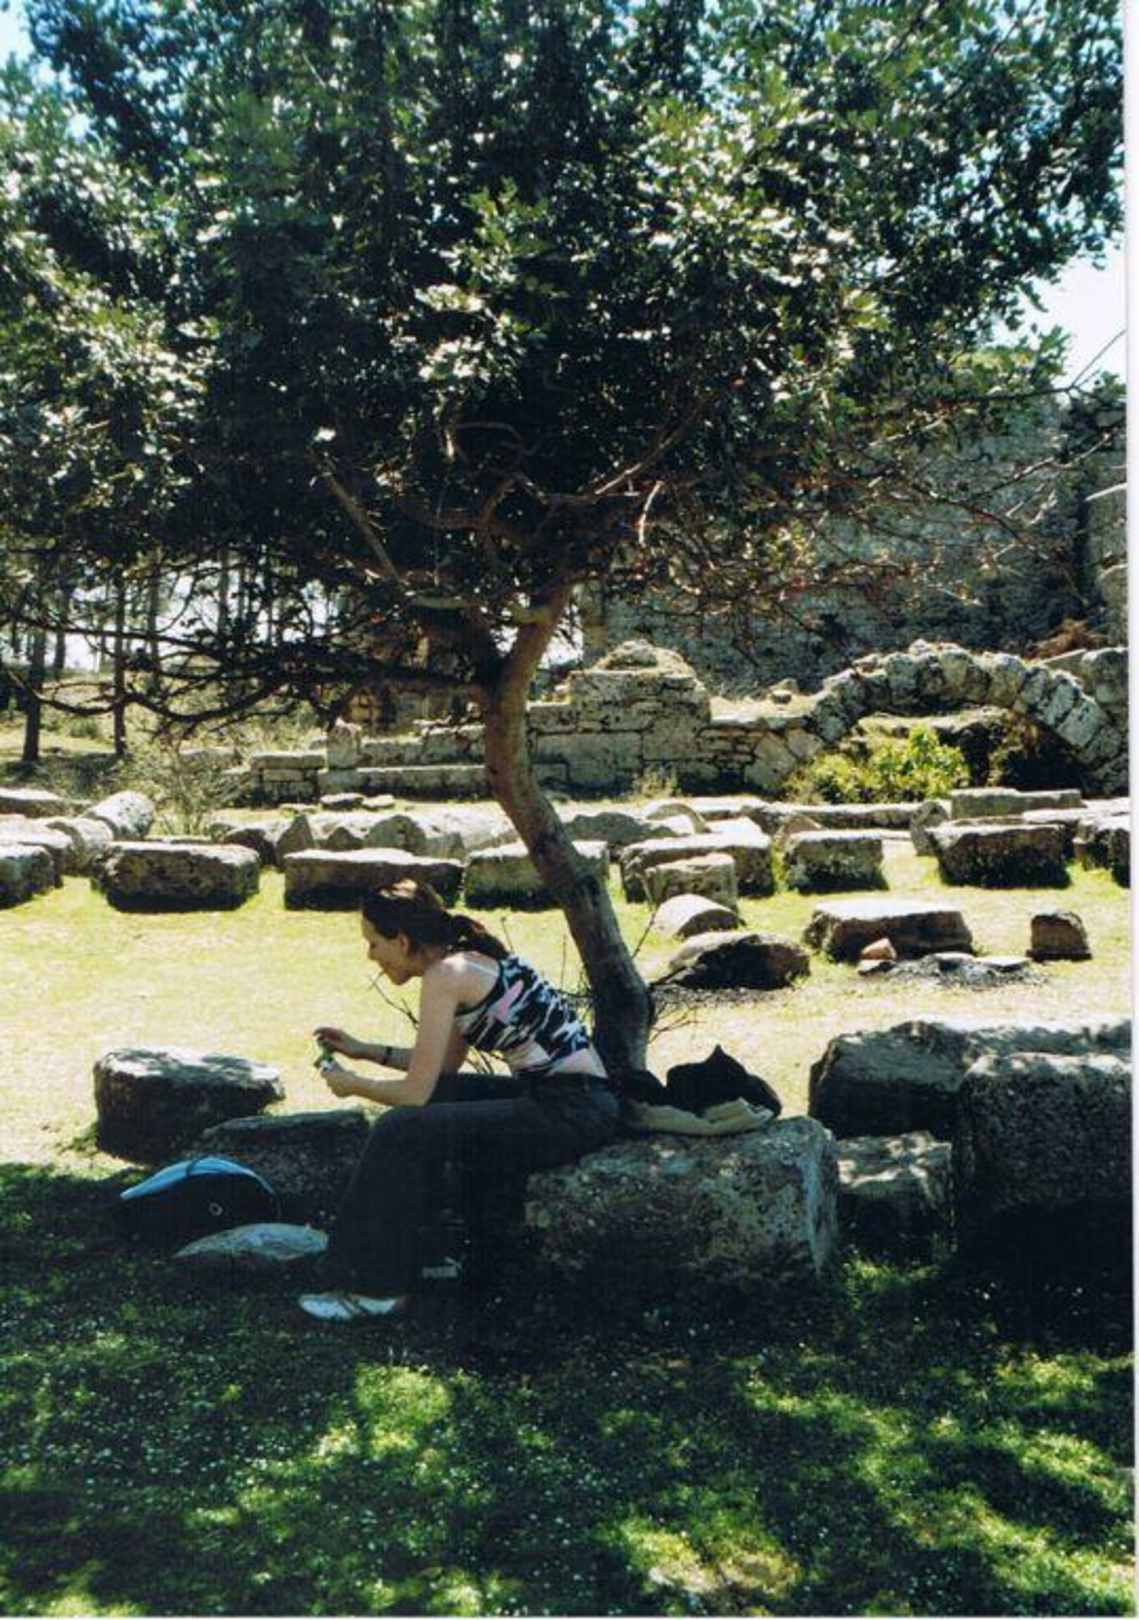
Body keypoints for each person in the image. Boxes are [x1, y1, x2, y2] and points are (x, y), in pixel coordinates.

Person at [300, 878, 620, 1321]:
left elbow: (414, 1093)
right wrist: (364, 1050)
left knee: (398, 1128)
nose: (370, 956)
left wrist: (353, 1084)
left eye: (373, 943)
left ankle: (374, 1287)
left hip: (573, 1109)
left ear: (403, 941)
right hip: (573, 1100)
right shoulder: (462, 963)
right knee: (437, 1103)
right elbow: (443, 1068)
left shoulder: (445, 975)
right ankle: (427, 1257)